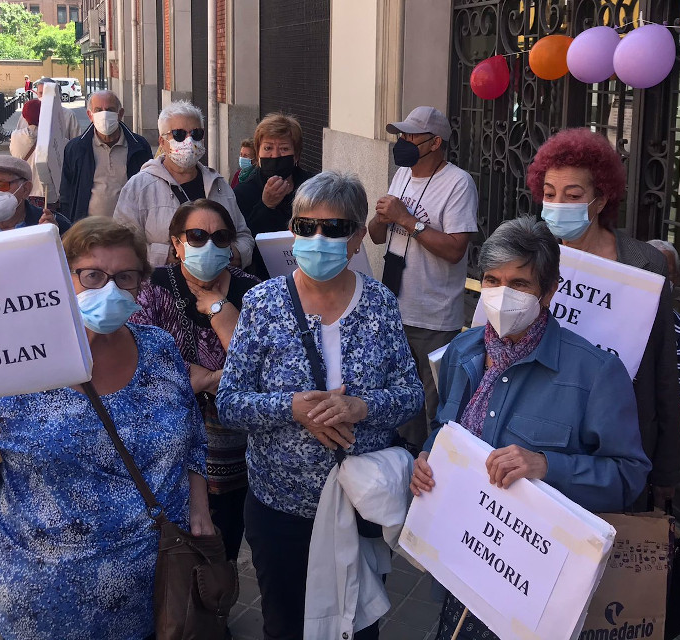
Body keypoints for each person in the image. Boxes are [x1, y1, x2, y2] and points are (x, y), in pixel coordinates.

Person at [0, 217, 213, 640]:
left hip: (159, 585)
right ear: (60, 278)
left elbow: (194, 439)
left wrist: (200, 511)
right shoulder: (14, 361)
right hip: (45, 596)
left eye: (124, 276)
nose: (108, 288)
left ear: (140, 283)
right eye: (91, 275)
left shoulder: (159, 348)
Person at [410, 217, 651, 640]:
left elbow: (628, 476)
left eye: (519, 284)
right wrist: (428, 458)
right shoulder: (463, 352)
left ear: (550, 290)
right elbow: (444, 430)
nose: (502, 294)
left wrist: (545, 465)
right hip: (461, 561)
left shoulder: (596, 373)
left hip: (535, 587)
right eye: (491, 280)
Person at [217, 171, 424, 640]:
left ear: (355, 238)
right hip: (282, 508)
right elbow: (230, 404)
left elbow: (411, 395)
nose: (317, 237)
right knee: (287, 625)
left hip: (360, 503)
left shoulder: (379, 303)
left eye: (333, 228)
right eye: (305, 225)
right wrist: (290, 408)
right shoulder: (263, 303)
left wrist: (360, 407)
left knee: (357, 624)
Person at [527, 128, 680, 508]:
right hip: (540, 436)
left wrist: (665, 470)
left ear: (601, 199)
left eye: (573, 195)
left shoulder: (645, 264)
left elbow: (663, 370)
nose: (558, 204)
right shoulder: (530, 255)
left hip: (615, 440)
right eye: (549, 194)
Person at [132, 199, 259, 563]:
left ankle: (216, 608)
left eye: (220, 237)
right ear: (176, 243)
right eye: (197, 236)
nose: (209, 245)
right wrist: (212, 379)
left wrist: (218, 312)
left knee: (226, 534)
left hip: (235, 443)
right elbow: (141, 360)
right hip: (168, 439)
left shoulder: (253, 290)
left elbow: (259, 366)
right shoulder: (152, 286)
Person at [368, 106, 480, 451]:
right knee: (402, 406)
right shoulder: (401, 174)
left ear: (435, 143)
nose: (402, 141)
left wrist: (406, 219)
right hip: (394, 308)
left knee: (435, 409)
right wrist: (381, 218)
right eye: (401, 135)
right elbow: (376, 237)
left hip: (433, 316)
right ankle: (404, 469)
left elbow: (456, 249)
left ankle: (434, 474)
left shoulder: (458, 183)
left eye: (411, 136)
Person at [116, 101, 253, 269]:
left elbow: (244, 236)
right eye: (179, 134)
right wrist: (169, 254)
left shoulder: (218, 184)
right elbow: (123, 244)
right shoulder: (139, 187)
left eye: (196, 133)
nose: (189, 141)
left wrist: (232, 253)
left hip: (219, 284)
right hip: (162, 287)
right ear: (162, 141)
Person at [233, 113, 316, 279]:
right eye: (268, 148)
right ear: (258, 155)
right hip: (262, 278)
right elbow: (244, 241)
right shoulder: (243, 192)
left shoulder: (313, 186)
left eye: (284, 149)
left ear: (296, 155)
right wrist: (266, 206)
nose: (275, 155)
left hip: (310, 273)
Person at [59, 90, 153, 223]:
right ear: (90, 115)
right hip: (89, 230)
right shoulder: (76, 148)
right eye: (98, 110)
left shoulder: (139, 146)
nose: (104, 114)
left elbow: (149, 189)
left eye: (109, 109)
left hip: (128, 229)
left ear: (120, 114)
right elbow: (66, 196)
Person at [648, 239, 680, 400]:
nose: (657, 277)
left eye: (665, 271)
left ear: (675, 278)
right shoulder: (609, 309)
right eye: (650, 269)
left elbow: (675, 398)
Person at [8, 99, 61, 212]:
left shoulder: (16, 136)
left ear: (24, 116)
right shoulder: (54, 138)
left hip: (24, 190)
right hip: (48, 194)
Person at [16, 77, 82, 140]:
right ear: (37, 94)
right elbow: (19, 138)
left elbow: (76, 142)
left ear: (57, 95)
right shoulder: (27, 114)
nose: (44, 96)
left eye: (48, 93)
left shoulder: (68, 115)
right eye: (41, 93)